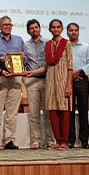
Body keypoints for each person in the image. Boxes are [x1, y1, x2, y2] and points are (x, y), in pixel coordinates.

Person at [27, 19, 73, 149]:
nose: (56, 29)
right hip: (50, 82)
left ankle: (64, 141)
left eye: (58, 27)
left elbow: (70, 66)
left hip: (63, 81)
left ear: (62, 29)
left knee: (64, 111)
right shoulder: (47, 45)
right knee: (52, 111)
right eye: (53, 27)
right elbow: (45, 66)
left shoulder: (67, 43)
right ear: (50, 29)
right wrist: (31, 72)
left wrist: (69, 85)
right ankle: (57, 141)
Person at [0, 16, 27, 150]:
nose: (7, 26)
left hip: (15, 78)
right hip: (0, 77)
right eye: (4, 24)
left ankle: (9, 139)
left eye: (9, 24)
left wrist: (22, 57)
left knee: (12, 112)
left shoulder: (19, 40)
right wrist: (0, 59)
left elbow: (26, 59)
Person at [23, 19, 55, 149]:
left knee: (48, 113)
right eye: (31, 28)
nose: (34, 30)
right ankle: (35, 140)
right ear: (28, 31)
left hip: (47, 80)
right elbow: (22, 62)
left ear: (40, 28)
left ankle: (50, 140)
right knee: (34, 113)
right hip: (31, 81)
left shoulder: (48, 42)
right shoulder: (25, 45)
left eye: (36, 27)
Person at [67, 22, 89, 149]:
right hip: (67, 81)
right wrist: (70, 75)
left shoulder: (86, 46)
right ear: (67, 32)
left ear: (78, 32)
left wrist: (78, 73)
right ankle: (70, 140)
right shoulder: (65, 46)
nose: (73, 32)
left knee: (83, 110)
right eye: (71, 30)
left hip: (82, 80)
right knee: (70, 111)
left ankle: (84, 140)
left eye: (75, 30)